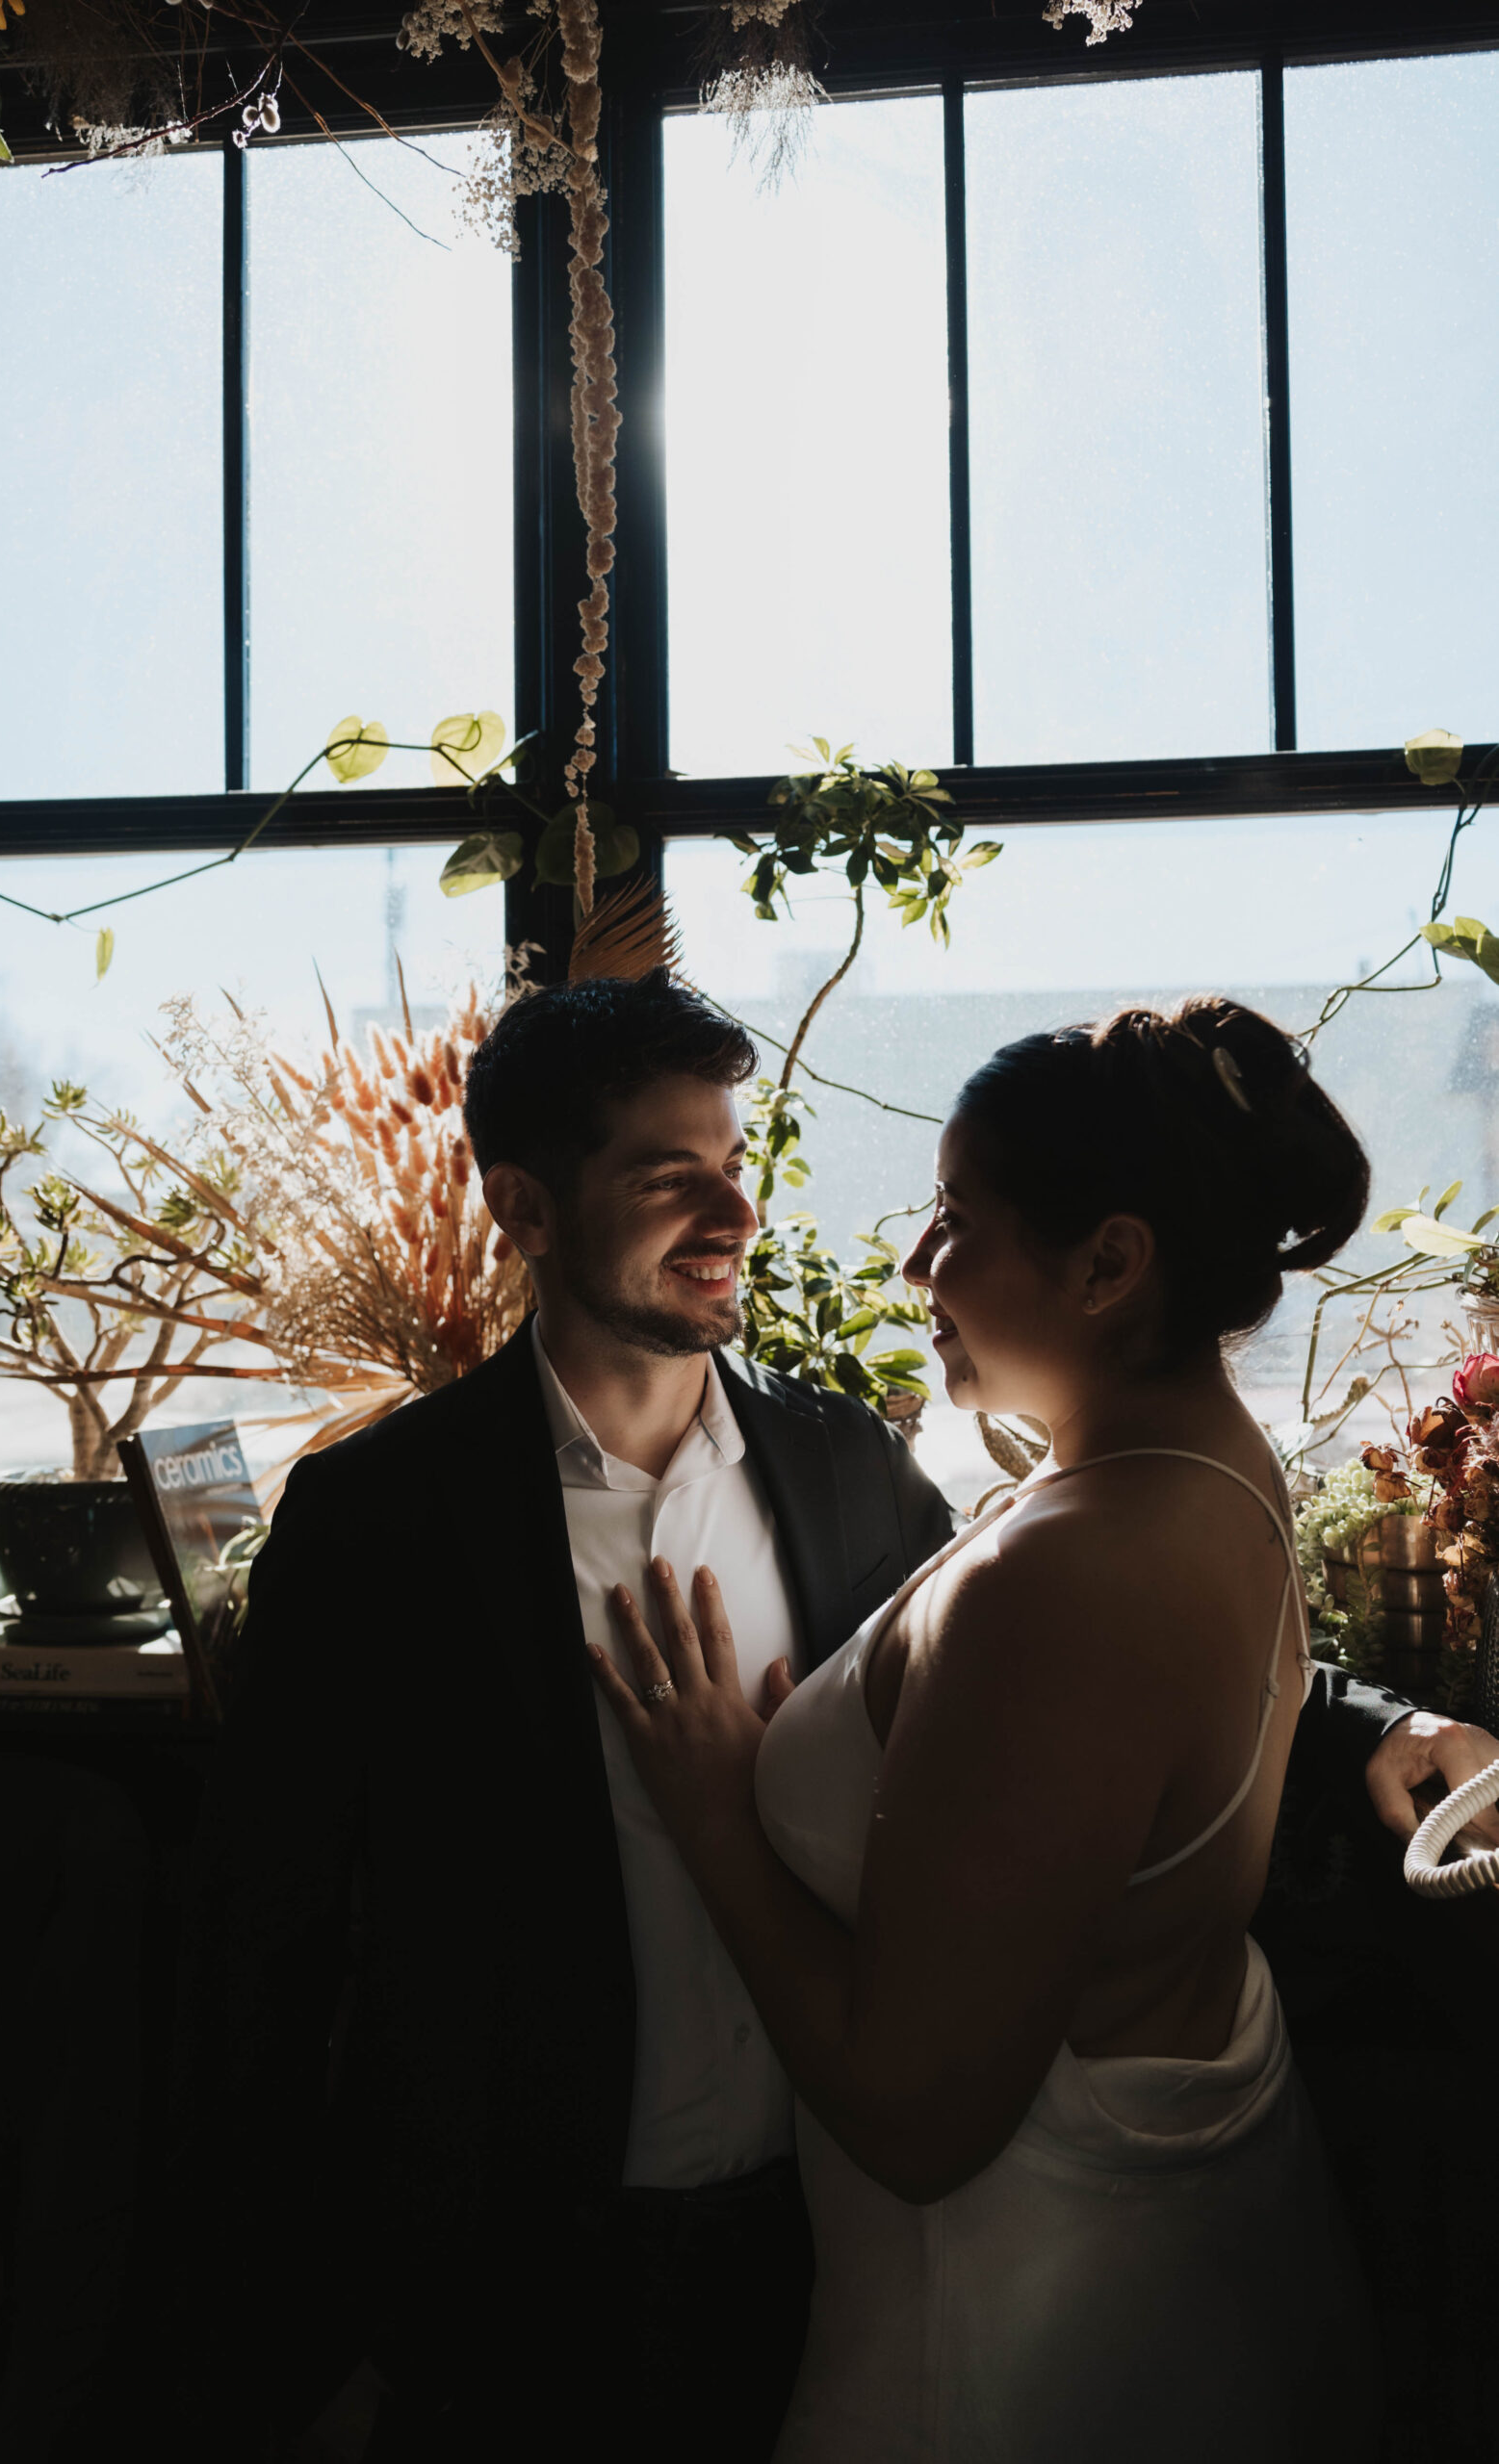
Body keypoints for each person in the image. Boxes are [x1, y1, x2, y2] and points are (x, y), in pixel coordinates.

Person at [169, 976, 1497, 2464]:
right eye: (672, 1180)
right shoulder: (376, 1528)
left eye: (734, 1167)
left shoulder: (844, 1464)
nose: (732, 1213)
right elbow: (260, 1958)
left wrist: (1385, 1720)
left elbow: (1073, 1686)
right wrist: (287, 2352)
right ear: (526, 1209)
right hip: (523, 2289)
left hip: (819, 2254)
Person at [588, 995, 1499, 2463]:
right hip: (1178, 2252)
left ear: (1110, 1262)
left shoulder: (1066, 1572)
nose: (913, 1261)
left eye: (957, 1218)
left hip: (1010, 2334)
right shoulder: (1203, 1462)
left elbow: (918, 2117)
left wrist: (713, 1815)